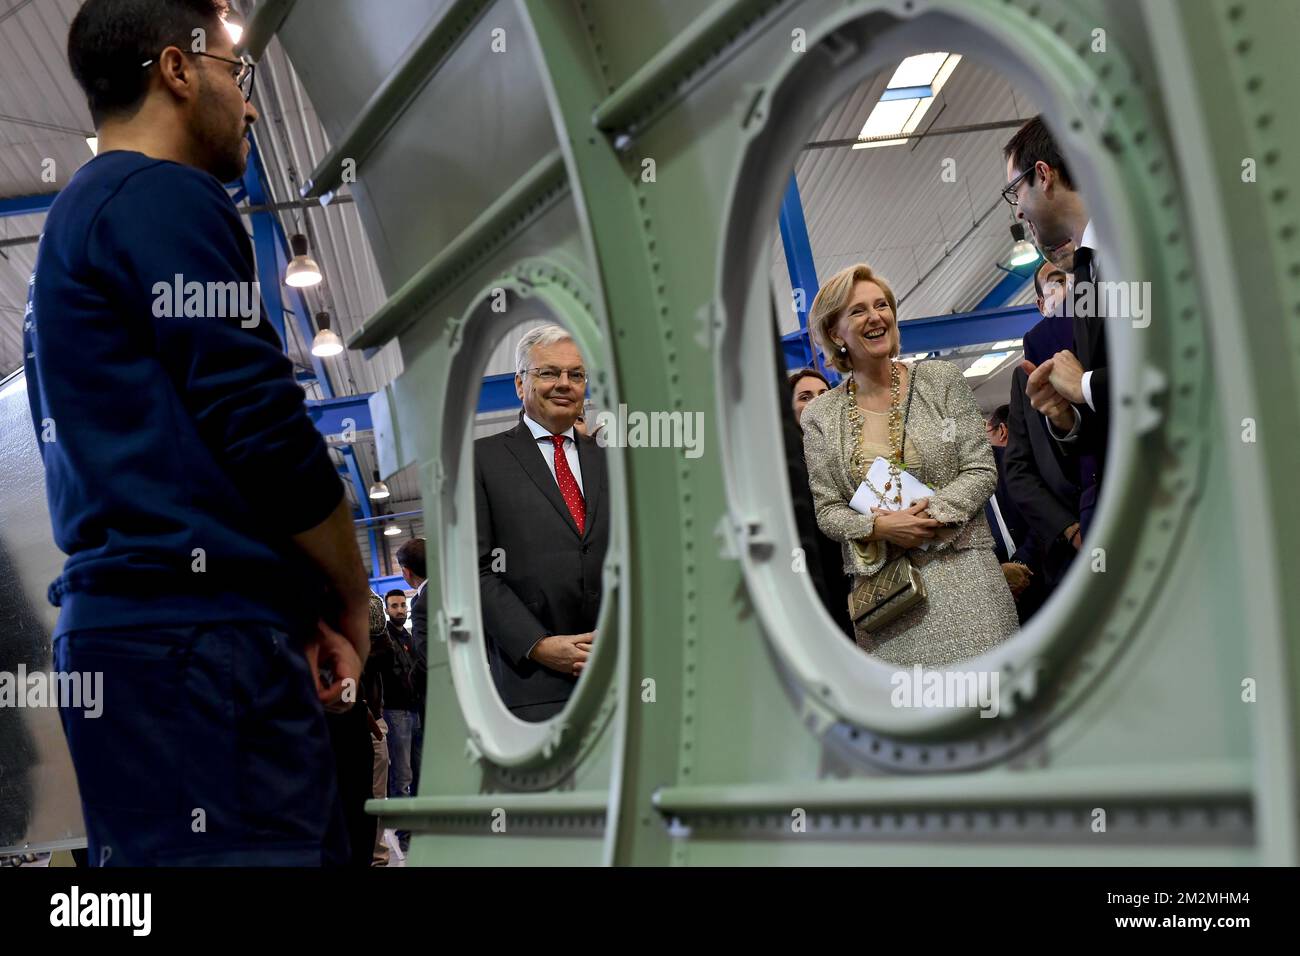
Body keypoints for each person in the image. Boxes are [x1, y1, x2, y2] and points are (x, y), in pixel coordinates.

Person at [24, 0, 370, 866]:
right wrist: (350, 595)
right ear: (178, 70)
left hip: (137, 644)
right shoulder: (161, 195)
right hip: (199, 651)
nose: (249, 104)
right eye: (236, 73)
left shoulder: (76, 222)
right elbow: (261, 424)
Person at [801, 264, 1018, 665]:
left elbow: (981, 468)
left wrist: (926, 517)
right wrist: (880, 526)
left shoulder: (941, 380)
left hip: (966, 576)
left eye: (881, 305)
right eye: (858, 311)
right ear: (835, 334)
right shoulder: (819, 416)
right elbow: (827, 510)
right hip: (887, 599)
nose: (875, 317)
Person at [475, 325, 609, 721]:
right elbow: (474, 570)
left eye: (576, 375)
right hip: (533, 683)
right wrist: (538, 644)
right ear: (520, 384)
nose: (564, 384)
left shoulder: (615, 461)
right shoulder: (480, 461)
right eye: (549, 373)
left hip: (618, 672)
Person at [1003, 115, 1107, 535]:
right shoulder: (1085, 274)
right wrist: (1066, 417)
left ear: (1043, 175)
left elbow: (1173, 373)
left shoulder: (1131, 251)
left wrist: (1082, 386)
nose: (1018, 212)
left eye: (1015, 192)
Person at [1004, 259, 1083, 592]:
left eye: (1072, 279)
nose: (1066, 286)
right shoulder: (1026, 375)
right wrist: (1068, 528)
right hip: (1072, 554)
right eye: (1055, 282)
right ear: (1041, 304)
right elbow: (1018, 469)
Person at [985, 406, 1047, 624]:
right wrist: (997, 575)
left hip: (1043, 578)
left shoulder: (1014, 462)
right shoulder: (937, 489)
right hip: (993, 602)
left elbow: (1041, 514)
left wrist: (1022, 563)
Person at [394, 537, 427, 807]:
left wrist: (414, 680)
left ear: (406, 572)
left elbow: (428, 656)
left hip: (430, 699)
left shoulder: (423, 602)